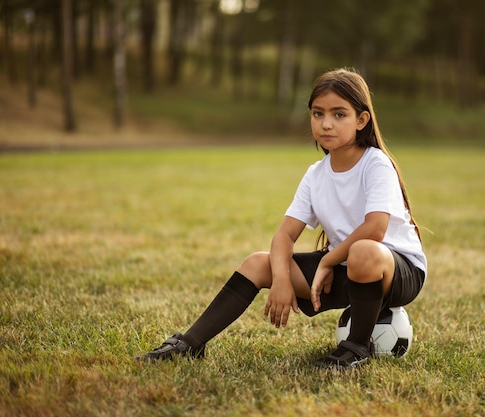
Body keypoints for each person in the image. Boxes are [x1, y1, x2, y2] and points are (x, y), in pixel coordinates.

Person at [136, 68, 427, 370]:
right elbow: (284, 236)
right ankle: (189, 344)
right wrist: (281, 278)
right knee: (257, 263)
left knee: (362, 250)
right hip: (345, 265)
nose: (326, 123)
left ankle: (356, 348)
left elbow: (375, 230)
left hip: (396, 270)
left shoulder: (375, 164)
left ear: (361, 120)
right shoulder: (316, 174)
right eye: (318, 114)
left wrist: (327, 262)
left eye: (339, 115)